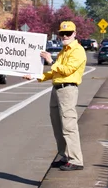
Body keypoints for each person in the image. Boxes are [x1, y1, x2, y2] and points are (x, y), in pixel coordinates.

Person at [23, 21, 86, 171]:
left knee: (69, 125)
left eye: (68, 33)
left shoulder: (77, 50)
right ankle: (65, 156)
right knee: (58, 125)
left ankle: (76, 159)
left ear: (75, 34)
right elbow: (55, 72)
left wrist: (51, 60)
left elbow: (67, 70)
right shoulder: (63, 51)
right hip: (57, 88)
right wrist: (37, 76)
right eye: (62, 34)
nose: (64, 36)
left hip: (68, 89)